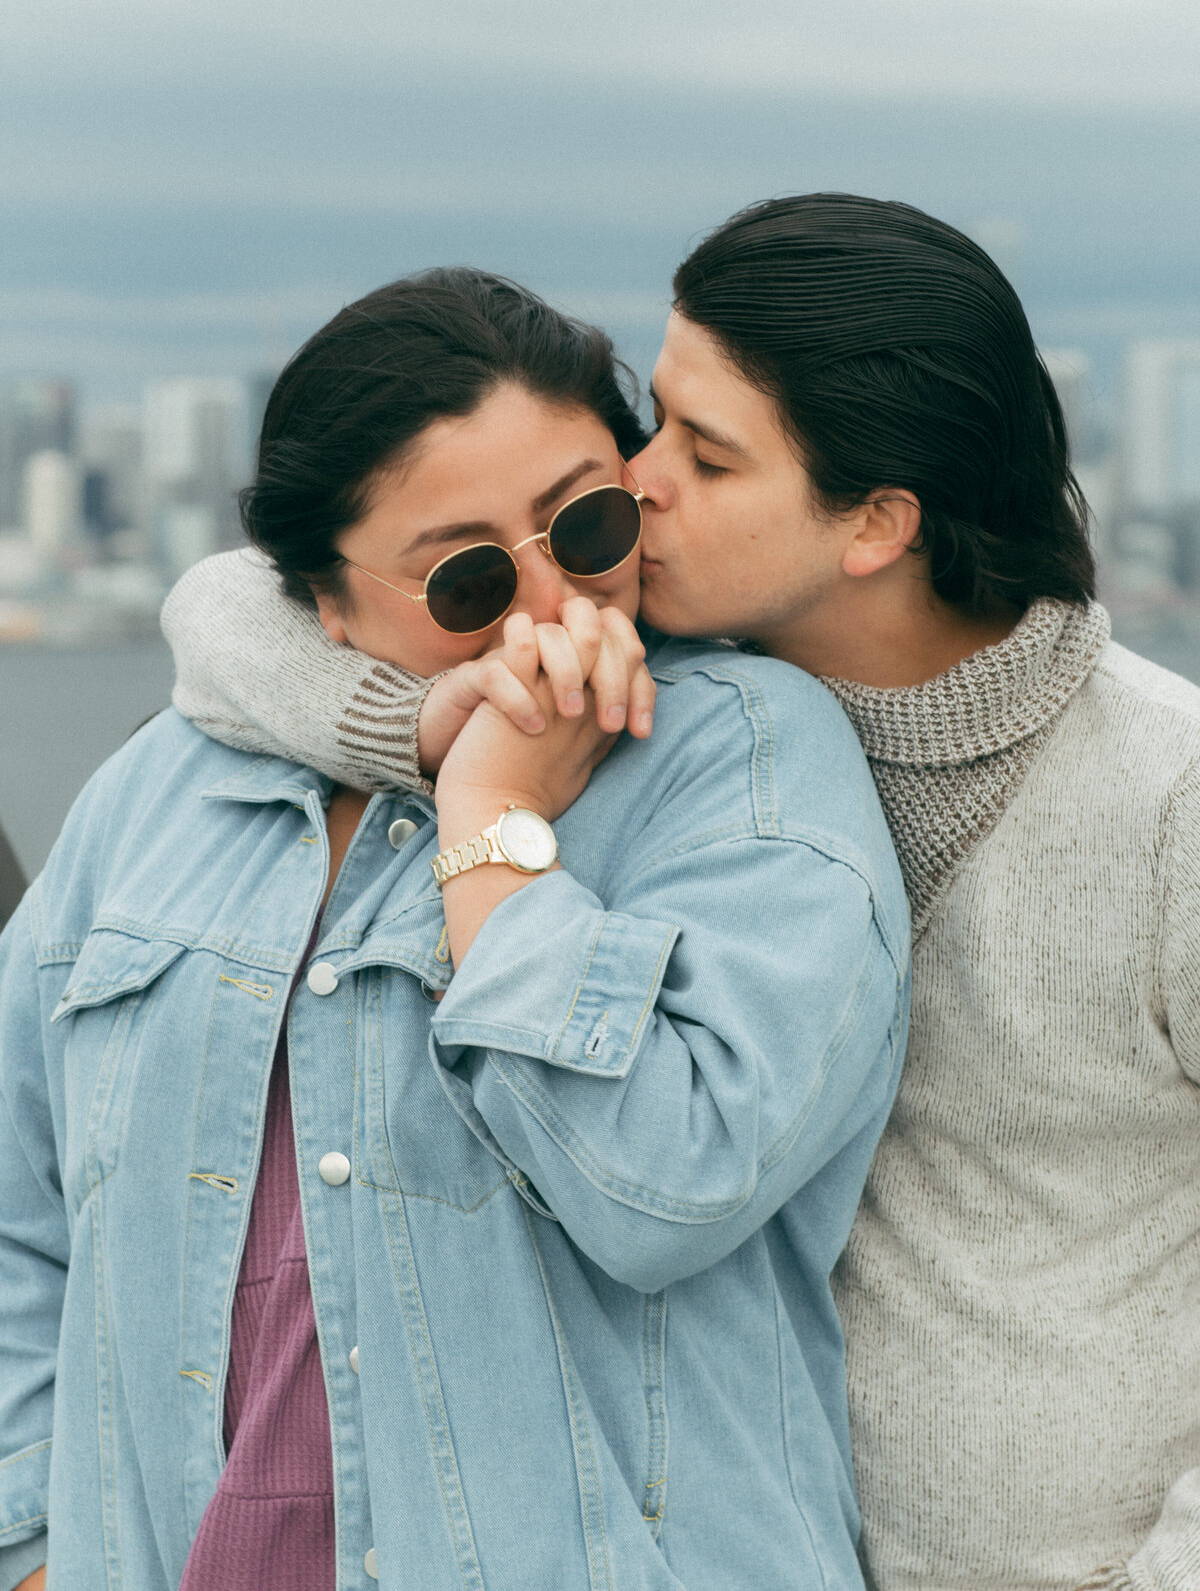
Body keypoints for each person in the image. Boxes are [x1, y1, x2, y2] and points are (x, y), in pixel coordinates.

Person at [166, 195, 1200, 1591]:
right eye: (656, 419)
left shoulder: (1168, 801)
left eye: (704, 457)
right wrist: (420, 735)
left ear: (877, 524)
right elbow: (236, 607)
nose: (635, 483)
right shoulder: (630, 687)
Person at [0, 267, 908, 1591]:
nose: (550, 608)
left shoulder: (749, 764)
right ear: (322, 600)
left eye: (586, 526)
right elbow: (18, 1204)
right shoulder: (154, 798)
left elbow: (663, 1186)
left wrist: (494, 821)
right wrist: (32, 1540)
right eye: (471, 575)